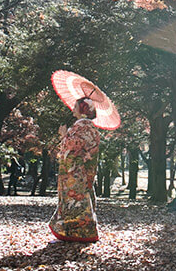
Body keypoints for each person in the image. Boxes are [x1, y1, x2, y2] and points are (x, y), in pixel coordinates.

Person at [48, 97, 101, 243]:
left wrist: (64, 135)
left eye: (76, 106)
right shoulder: (92, 129)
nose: (73, 109)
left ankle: (72, 234)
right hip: (85, 172)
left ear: (83, 109)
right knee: (84, 198)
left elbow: (71, 148)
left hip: (74, 172)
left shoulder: (80, 127)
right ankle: (84, 232)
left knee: (74, 201)